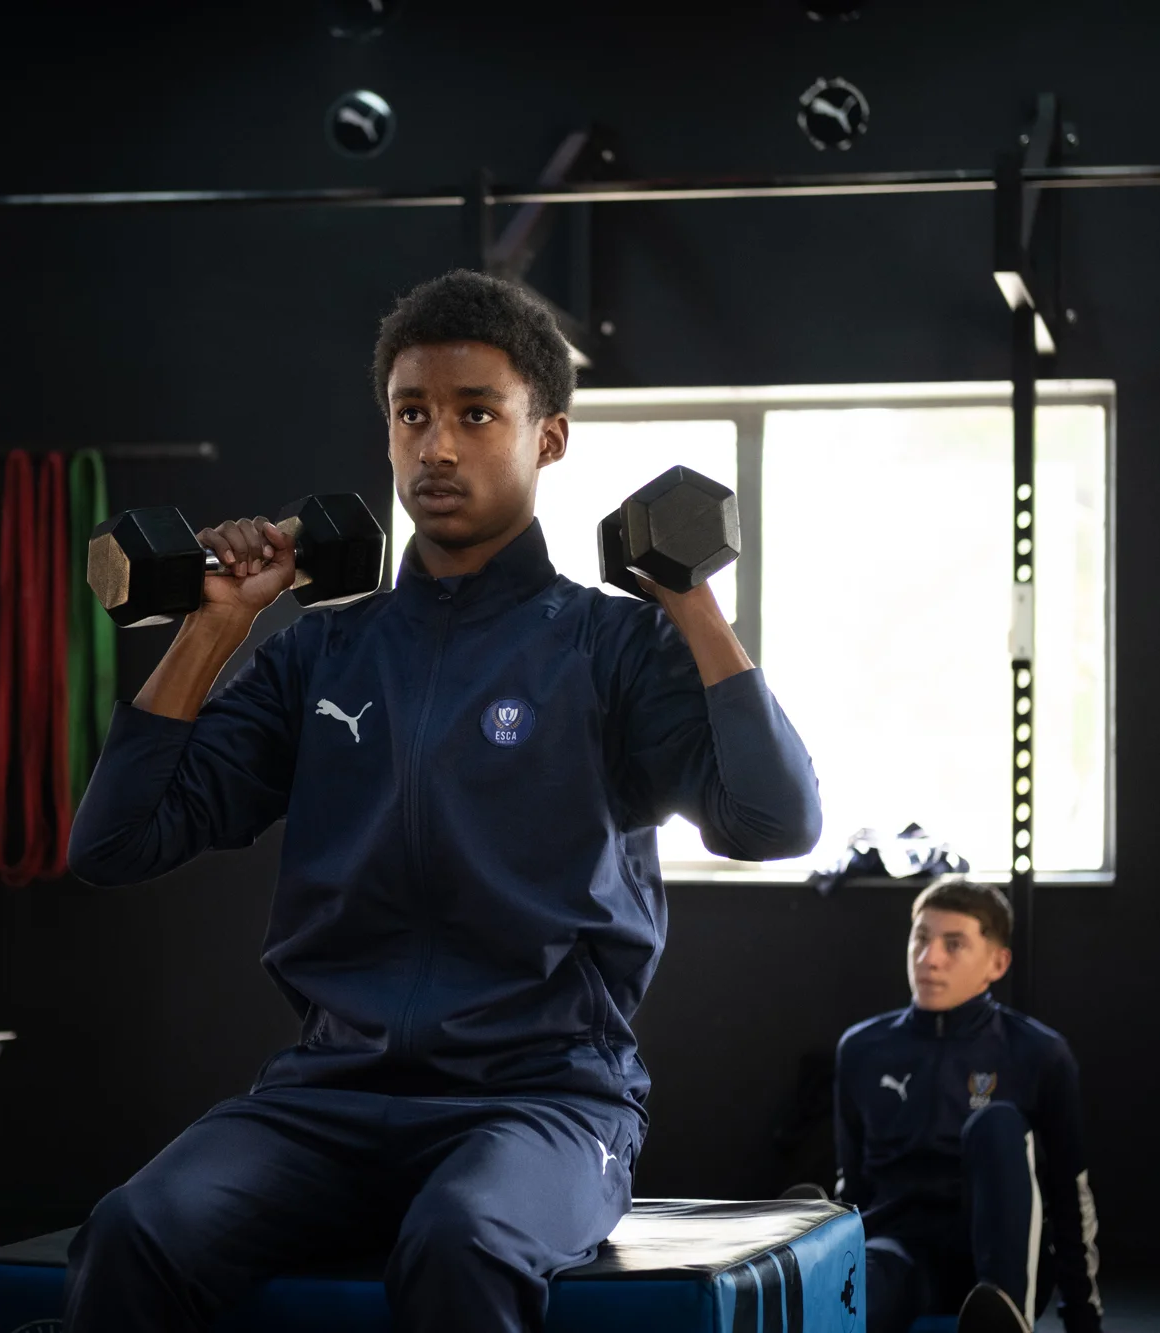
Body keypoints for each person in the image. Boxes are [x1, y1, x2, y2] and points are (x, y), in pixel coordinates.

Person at [61, 270, 822, 1333]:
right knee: (134, 1230)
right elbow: (114, 841)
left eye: (476, 414)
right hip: (327, 1095)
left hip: (545, 1101)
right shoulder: (324, 650)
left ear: (547, 438)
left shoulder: (610, 648)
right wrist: (217, 626)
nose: (438, 447)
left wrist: (690, 608)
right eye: (411, 415)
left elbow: (773, 820)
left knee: (461, 1243)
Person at [835, 880, 1103, 1333]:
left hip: (1001, 1259)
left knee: (995, 1124)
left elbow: (1069, 1195)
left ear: (997, 963)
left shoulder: (1039, 1053)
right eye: (921, 938)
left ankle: (1002, 1314)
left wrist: (1083, 1319)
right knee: (867, 1274)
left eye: (953, 944)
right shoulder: (862, 1049)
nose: (929, 958)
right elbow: (854, 1188)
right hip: (902, 1253)